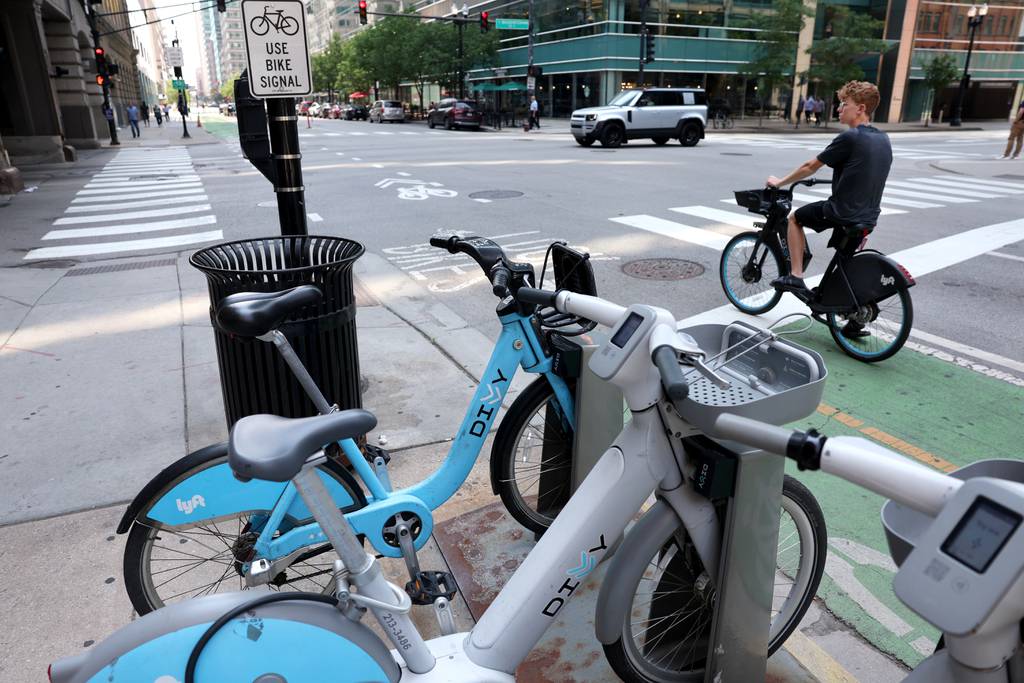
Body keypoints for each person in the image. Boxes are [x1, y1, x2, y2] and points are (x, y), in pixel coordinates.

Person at [765, 80, 892, 337]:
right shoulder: (882, 139)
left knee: (795, 218)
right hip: (869, 215)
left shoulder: (851, 137)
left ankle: (796, 275)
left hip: (843, 211)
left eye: (845, 104)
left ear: (861, 109)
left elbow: (810, 166)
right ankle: (855, 321)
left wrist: (780, 182)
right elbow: (861, 171)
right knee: (845, 266)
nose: (839, 109)